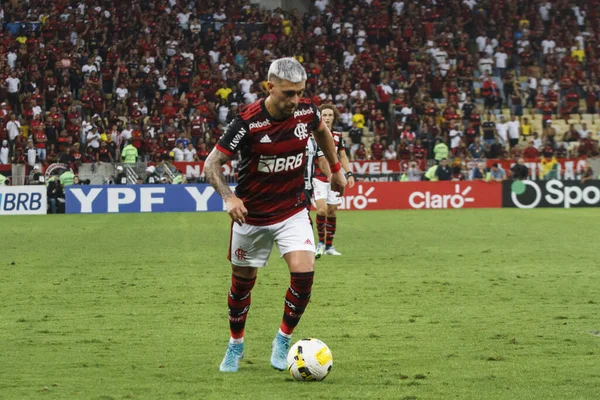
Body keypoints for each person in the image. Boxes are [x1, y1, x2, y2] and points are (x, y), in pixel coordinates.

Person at [203, 58, 346, 373]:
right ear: (270, 87)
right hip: (251, 218)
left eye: (299, 93)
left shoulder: (306, 112)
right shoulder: (247, 122)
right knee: (242, 286)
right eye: (287, 93)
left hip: (292, 210)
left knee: (304, 275)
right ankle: (235, 344)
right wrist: (229, 197)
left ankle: (283, 339)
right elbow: (211, 164)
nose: (294, 100)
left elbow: (322, 132)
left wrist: (335, 169)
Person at [313, 104, 355, 258]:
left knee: (332, 211)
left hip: (334, 179)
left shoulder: (337, 135)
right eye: (324, 115)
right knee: (322, 210)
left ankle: (329, 246)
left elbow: (342, 156)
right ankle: (320, 243)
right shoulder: (313, 134)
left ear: (334, 117)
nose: (328, 118)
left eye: (330, 115)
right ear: (320, 117)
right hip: (318, 177)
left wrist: (349, 173)